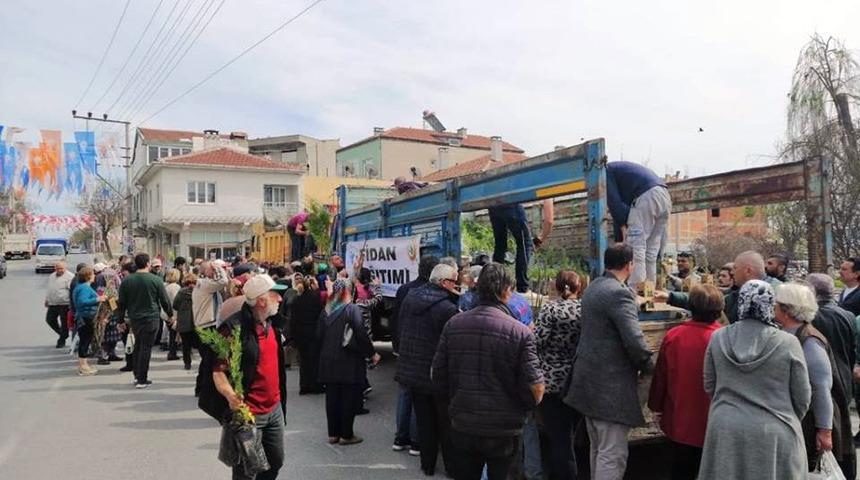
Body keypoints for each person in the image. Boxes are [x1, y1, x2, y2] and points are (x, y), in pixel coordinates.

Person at [432, 263, 545, 480]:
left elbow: (437, 376)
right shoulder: (520, 333)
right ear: (505, 291)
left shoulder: (454, 324)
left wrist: (456, 403)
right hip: (504, 430)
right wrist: (520, 406)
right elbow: (537, 389)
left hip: (463, 425)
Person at [697, 280, 810, 480]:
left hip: (725, 428)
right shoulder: (788, 343)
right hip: (774, 429)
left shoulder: (718, 337)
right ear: (770, 305)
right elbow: (802, 396)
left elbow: (709, 384)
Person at [563, 243, 653, 480]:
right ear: (629, 265)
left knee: (599, 450)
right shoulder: (619, 293)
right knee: (612, 455)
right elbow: (634, 340)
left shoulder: (595, 287)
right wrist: (650, 365)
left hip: (589, 386)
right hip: (609, 391)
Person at [210, 274, 288, 480]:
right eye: (275, 295)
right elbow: (218, 371)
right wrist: (230, 396)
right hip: (249, 414)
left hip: (275, 409)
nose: (280, 299)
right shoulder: (232, 329)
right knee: (246, 471)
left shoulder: (273, 323)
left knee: (276, 461)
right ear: (261, 301)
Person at [774, 282, 851, 476]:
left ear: (786, 309)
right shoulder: (786, 335)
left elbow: (822, 389)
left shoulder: (810, 342)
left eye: (776, 304)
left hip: (809, 425)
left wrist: (825, 431)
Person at [647, 284, 723, 480]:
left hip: (680, 419)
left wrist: (656, 406)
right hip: (715, 421)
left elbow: (661, 376)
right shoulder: (724, 337)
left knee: (680, 471)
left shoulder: (675, 336)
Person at [396, 263, 461, 476]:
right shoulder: (447, 308)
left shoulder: (411, 298)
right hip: (436, 375)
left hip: (413, 372)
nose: (457, 285)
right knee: (445, 424)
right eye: (454, 281)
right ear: (443, 282)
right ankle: (452, 468)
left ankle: (427, 465)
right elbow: (453, 344)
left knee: (425, 422)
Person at [803, 274, 857, 477]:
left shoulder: (812, 320)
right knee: (845, 431)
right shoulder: (847, 315)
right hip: (844, 375)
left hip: (827, 378)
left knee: (830, 430)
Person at [534, 270, 583, 480]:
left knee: (559, 437)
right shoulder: (585, 310)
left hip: (552, 383)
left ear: (556, 286)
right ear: (578, 287)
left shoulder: (550, 309)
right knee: (568, 434)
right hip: (577, 380)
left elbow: (537, 341)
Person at [391, 256, 438, 457]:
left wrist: (397, 345)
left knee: (404, 393)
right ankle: (416, 441)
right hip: (423, 353)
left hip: (405, 348)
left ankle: (400, 438)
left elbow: (396, 319)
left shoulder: (404, 290)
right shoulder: (435, 296)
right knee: (420, 397)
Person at [318, 279, 375, 446]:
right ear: (349, 292)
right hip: (348, 360)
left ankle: (333, 433)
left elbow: (318, 335)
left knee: (332, 398)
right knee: (348, 398)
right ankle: (346, 435)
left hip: (328, 361)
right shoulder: (352, 309)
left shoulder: (326, 310)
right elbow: (361, 334)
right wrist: (371, 353)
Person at [605, 161, 671, 288]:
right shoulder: (621, 172)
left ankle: (635, 292)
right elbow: (622, 212)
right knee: (651, 251)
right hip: (664, 196)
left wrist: (621, 241)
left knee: (636, 248)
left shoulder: (605, 172)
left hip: (647, 196)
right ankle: (649, 291)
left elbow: (615, 205)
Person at [662, 250, 774, 324]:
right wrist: (671, 297)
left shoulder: (776, 292)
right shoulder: (736, 293)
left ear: (748, 270)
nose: (733, 273)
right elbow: (708, 300)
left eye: (735, 268)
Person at [116, 253, 174, 389]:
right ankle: (142, 378)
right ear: (148, 264)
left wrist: (120, 320)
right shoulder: (156, 280)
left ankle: (137, 375)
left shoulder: (127, 281)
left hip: (134, 318)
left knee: (138, 345)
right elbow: (164, 300)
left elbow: (121, 303)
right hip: (151, 317)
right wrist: (170, 315)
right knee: (145, 347)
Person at [290, 274, 324, 395]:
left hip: (300, 334)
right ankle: (315, 384)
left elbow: (293, 319)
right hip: (313, 332)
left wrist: (293, 335)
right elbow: (321, 314)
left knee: (303, 361)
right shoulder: (315, 298)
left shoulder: (296, 300)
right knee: (314, 359)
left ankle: (304, 385)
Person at [487, 204, 532, 293]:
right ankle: (522, 286)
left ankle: (496, 282)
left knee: (500, 244)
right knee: (524, 242)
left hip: (493, 204)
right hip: (511, 203)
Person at [72, 266, 104, 376]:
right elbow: (82, 301)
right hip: (85, 317)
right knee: (85, 341)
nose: (94, 276)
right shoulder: (84, 288)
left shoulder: (81, 287)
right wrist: (97, 299)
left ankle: (84, 364)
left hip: (85, 316)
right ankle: (83, 366)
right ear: (88, 276)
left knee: (85, 340)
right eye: (93, 274)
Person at [172, 273, 199, 370]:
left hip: (184, 321)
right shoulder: (198, 291)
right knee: (199, 343)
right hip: (197, 320)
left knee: (185, 344)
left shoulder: (181, 292)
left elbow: (175, 305)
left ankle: (187, 363)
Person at [45, 261, 74, 348]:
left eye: (61, 268)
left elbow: (72, 291)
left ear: (65, 268)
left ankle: (61, 340)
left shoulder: (70, 277)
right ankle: (63, 334)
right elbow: (50, 288)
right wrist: (47, 299)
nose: (59, 270)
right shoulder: (52, 276)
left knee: (64, 323)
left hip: (64, 304)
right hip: (53, 303)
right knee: (49, 320)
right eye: (58, 268)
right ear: (55, 268)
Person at [163, 268, 181, 361]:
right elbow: (175, 302)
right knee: (173, 334)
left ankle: (172, 352)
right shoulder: (175, 287)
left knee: (172, 333)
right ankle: (172, 352)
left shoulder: (165, 286)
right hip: (173, 314)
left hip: (165, 314)